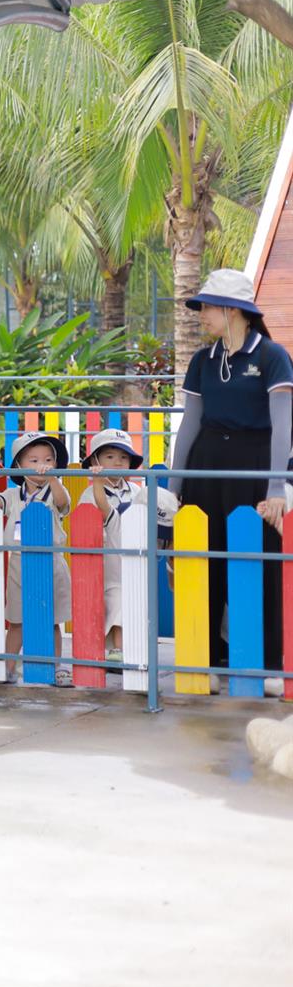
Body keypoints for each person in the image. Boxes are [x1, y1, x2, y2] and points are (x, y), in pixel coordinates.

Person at [169, 268, 290, 685]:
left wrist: (276, 487)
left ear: (232, 310)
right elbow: (190, 424)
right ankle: (206, 660)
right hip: (206, 463)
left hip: (254, 462)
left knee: (259, 561)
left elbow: (283, 426)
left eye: (207, 307)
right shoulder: (202, 360)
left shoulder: (271, 356)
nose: (201, 315)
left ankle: (267, 663)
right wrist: (174, 485)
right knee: (206, 559)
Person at [78, 427, 158, 680]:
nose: (118, 462)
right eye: (110, 456)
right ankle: (116, 649)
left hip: (134, 555)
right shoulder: (89, 494)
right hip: (105, 559)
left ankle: (127, 648)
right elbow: (91, 521)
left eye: (124, 457)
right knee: (116, 599)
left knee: (133, 601)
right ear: (95, 461)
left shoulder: (136, 491)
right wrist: (98, 485)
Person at [0, 430, 72, 684]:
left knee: (51, 620)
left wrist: (53, 479)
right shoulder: (13, 495)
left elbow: (63, 503)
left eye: (48, 459)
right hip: (19, 562)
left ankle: (56, 666)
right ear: (19, 466)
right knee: (17, 620)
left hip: (51, 561)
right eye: (34, 460)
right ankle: (7, 666)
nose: (43, 464)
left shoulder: (55, 491)